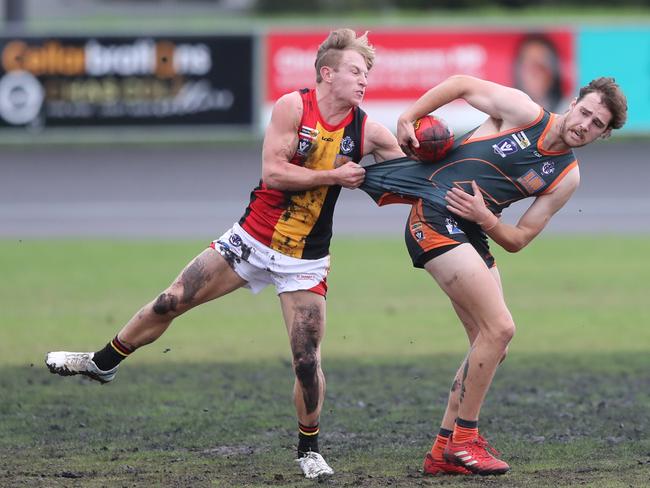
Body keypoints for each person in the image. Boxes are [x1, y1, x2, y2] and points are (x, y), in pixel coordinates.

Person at [45, 28, 404, 480]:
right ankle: (102, 363)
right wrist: (336, 177)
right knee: (171, 300)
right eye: (355, 70)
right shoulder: (293, 108)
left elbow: (404, 175)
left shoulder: (367, 129)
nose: (364, 80)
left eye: (367, 72)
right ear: (327, 74)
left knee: (307, 362)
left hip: (305, 260)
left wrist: (439, 163)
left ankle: (308, 449)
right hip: (251, 240)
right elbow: (273, 173)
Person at [361, 75, 627, 475]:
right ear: (573, 103)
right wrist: (410, 115)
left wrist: (485, 218)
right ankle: (466, 440)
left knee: (490, 347)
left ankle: (441, 451)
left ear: (603, 135)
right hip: (432, 218)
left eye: (596, 124)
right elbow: (462, 84)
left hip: (472, 232)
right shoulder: (523, 112)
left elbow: (518, 239)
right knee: (500, 328)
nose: (585, 125)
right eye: (585, 112)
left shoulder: (566, 177)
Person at [513, 33, 569, 113]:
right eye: (530, 64)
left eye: (541, 64)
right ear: (517, 70)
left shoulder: (570, 111)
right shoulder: (503, 114)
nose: (535, 72)